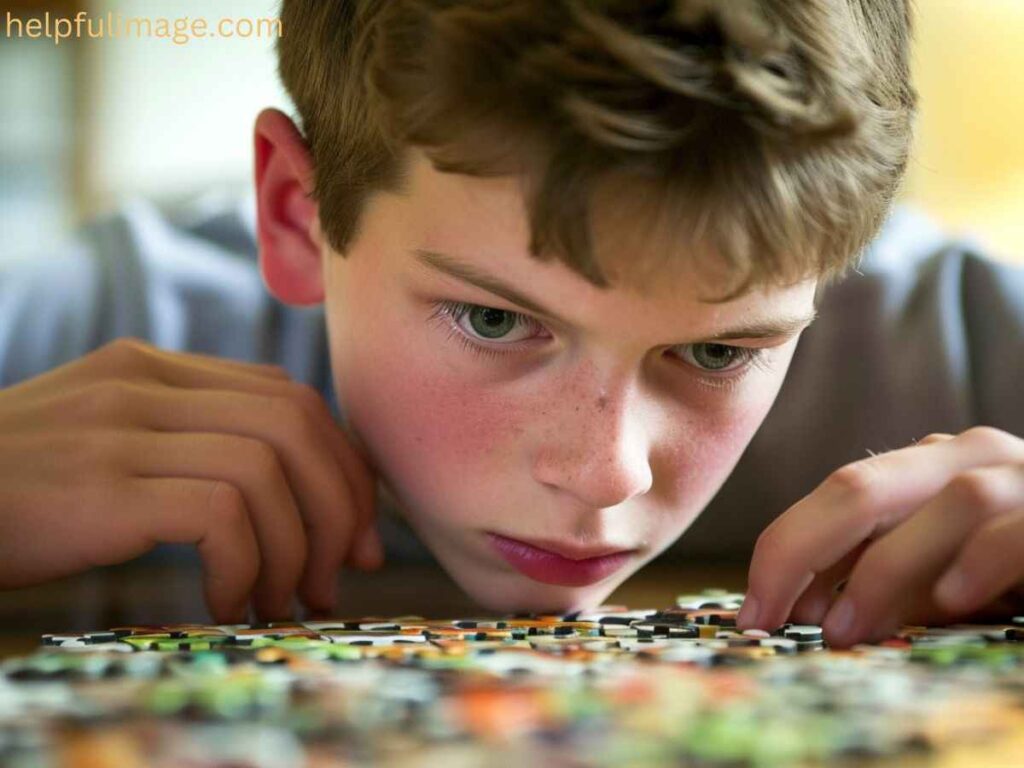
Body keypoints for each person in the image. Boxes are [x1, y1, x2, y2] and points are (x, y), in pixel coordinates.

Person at [0, 0, 1021, 649]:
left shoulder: (962, 335)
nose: (604, 473)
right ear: (297, 216)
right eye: (494, 319)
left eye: (718, 351)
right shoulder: (72, 335)